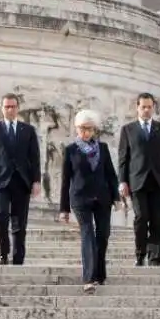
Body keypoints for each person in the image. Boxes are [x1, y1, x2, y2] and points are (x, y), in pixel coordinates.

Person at [59, 109, 120, 294]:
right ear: (77, 129)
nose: (85, 132)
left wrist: (116, 198)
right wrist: (64, 209)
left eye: (89, 129)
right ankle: (89, 278)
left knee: (103, 235)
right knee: (87, 234)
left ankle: (99, 273)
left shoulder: (103, 149)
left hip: (102, 197)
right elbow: (65, 180)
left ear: (94, 130)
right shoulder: (70, 150)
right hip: (80, 198)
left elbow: (110, 174)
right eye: (82, 128)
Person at [117, 93, 160, 266]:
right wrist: (122, 181)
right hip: (137, 181)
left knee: (157, 220)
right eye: (143, 107)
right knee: (141, 217)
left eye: (149, 107)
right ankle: (140, 253)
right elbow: (123, 158)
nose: (146, 110)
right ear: (137, 107)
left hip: (158, 180)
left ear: (153, 108)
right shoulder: (128, 130)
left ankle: (155, 257)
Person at [0, 93, 40, 265]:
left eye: (13, 106)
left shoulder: (28, 130)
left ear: (18, 108)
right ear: (2, 108)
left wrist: (36, 181)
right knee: (1, 216)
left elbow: (34, 157)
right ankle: (3, 254)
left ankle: (18, 257)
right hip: (0, 182)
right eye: (6, 106)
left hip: (22, 181)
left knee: (20, 221)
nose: (10, 109)